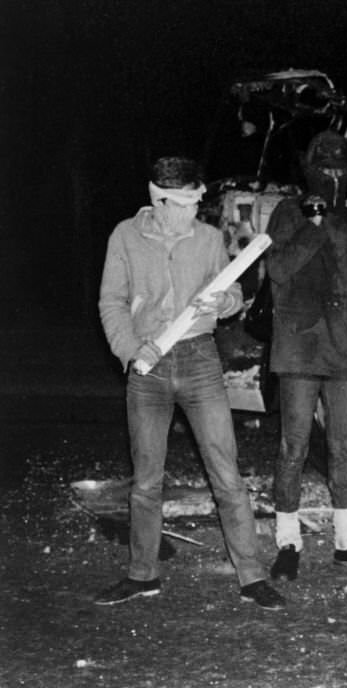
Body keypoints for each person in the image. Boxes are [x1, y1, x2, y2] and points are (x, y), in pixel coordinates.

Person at [95, 156, 285, 610]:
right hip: (148, 364)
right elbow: (111, 300)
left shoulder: (207, 237)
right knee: (146, 480)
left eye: (199, 199)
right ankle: (142, 575)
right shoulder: (125, 236)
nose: (196, 209)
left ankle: (252, 576)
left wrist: (225, 302)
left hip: (200, 360)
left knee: (227, 473)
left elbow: (234, 294)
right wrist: (129, 348)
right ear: (159, 199)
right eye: (186, 202)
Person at [265, 129, 347, 580]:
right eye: (326, 166)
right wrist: (312, 227)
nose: (333, 175)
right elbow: (277, 270)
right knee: (293, 445)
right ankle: (287, 541)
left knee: (344, 445)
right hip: (298, 346)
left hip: (341, 348)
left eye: (341, 167)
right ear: (309, 166)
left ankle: (346, 541)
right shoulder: (287, 213)